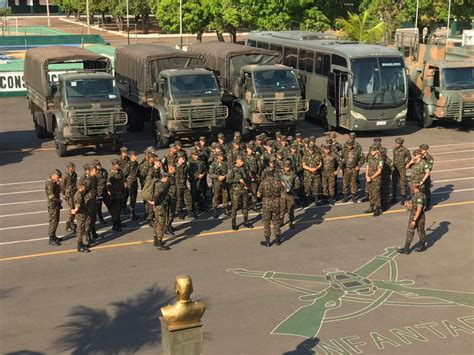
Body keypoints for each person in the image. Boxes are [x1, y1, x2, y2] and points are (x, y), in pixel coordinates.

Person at [397, 183, 428, 254]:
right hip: (414, 216)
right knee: (410, 231)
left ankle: (423, 246)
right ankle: (406, 248)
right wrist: (409, 206)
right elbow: (415, 206)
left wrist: (414, 220)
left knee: (420, 231)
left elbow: (419, 209)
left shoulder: (420, 196)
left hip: (419, 217)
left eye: (412, 186)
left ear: (415, 187)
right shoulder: (416, 195)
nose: (411, 187)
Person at [258, 169, 284, 247]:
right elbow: (283, 192)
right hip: (276, 203)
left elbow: (259, 194)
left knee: (266, 222)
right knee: (276, 221)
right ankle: (277, 240)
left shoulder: (263, 182)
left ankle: (267, 242)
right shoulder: (278, 182)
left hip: (266, 203)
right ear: (273, 174)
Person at [227, 155, 252, 230]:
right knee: (235, 207)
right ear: (237, 160)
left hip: (244, 189)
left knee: (245, 206)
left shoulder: (244, 168)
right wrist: (238, 180)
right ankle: (233, 223)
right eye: (241, 161)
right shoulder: (232, 169)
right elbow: (228, 180)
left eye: (243, 161)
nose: (242, 163)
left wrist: (248, 184)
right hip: (236, 190)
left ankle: (246, 221)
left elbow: (248, 177)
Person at [150, 173, 171, 250]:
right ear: (164, 178)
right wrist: (155, 201)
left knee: (156, 222)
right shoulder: (162, 186)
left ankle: (155, 241)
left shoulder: (156, 183)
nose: (168, 179)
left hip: (156, 207)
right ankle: (159, 243)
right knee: (161, 224)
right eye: (167, 177)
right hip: (160, 207)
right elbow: (157, 195)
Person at [81, 164, 99, 242]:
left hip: (93, 200)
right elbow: (83, 192)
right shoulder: (88, 180)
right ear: (91, 171)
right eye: (96, 170)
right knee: (88, 219)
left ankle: (93, 232)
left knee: (93, 217)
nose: (97, 171)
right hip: (88, 202)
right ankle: (87, 236)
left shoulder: (95, 178)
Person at [107, 159, 127, 231]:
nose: (119, 165)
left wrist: (125, 184)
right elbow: (109, 185)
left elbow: (123, 179)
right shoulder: (111, 174)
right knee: (115, 211)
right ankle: (115, 226)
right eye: (118, 164)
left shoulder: (120, 171)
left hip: (121, 193)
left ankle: (119, 223)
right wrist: (112, 193)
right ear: (114, 165)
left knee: (119, 209)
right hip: (115, 195)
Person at [71, 181, 91, 253]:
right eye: (84, 187)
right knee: (80, 229)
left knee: (81, 228)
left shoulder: (80, 193)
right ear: (81, 187)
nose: (85, 188)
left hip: (82, 213)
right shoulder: (78, 195)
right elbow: (77, 205)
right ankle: (79, 246)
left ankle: (81, 244)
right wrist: (74, 211)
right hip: (80, 214)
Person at [208, 151, 229, 218]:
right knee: (216, 196)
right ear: (217, 156)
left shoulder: (226, 163)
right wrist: (218, 177)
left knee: (225, 195)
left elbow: (229, 172)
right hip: (217, 183)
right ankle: (215, 210)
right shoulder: (213, 164)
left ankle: (225, 208)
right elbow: (211, 174)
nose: (222, 157)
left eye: (222, 155)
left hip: (224, 182)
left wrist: (224, 176)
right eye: (220, 156)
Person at [280, 160, 300, 229]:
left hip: (291, 195)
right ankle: (281, 221)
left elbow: (298, 184)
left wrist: (292, 188)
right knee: (282, 209)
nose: (287, 168)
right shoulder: (281, 174)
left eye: (288, 167)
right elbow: (277, 182)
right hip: (283, 194)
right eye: (285, 167)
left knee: (290, 210)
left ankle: (291, 222)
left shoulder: (294, 175)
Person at [364, 145, 383, 216]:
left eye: (373, 150)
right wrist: (366, 176)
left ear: (377, 151)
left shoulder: (380, 160)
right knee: (370, 193)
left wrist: (371, 177)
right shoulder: (370, 157)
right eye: (371, 150)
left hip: (376, 179)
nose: (371, 152)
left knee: (376, 194)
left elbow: (379, 171)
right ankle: (371, 207)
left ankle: (378, 209)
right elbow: (367, 167)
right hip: (369, 178)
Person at [391, 138, 411, 204]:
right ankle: (394, 198)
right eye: (396, 143)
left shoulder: (405, 150)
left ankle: (403, 198)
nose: (396, 144)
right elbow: (394, 157)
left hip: (402, 169)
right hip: (395, 168)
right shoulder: (394, 149)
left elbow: (409, 158)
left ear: (401, 143)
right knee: (394, 183)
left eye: (398, 143)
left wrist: (406, 164)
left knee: (402, 183)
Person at [45, 169, 62, 246]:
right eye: (58, 177)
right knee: (53, 221)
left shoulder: (54, 182)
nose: (59, 178)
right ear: (53, 175)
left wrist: (58, 184)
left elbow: (59, 191)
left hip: (56, 205)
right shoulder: (49, 183)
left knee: (56, 220)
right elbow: (51, 196)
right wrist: (59, 200)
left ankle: (54, 236)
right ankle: (51, 239)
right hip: (53, 205)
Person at [176, 153, 194, 218]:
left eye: (184, 158)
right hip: (177, 185)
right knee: (178, 199)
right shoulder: (174, 166)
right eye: (182, 158)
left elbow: (187, 173)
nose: (184, 159)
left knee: (188, 197)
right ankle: (179, 212)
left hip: (184, 184)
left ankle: (189, 210)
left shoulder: (185, 166)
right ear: (178, 159)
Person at [61, 162, 77, 232]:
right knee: (71, 209)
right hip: (68, 195)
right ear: (68, 168)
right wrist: (64, 194)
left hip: (73, 194)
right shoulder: (65, 176)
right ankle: (68, 225)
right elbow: (62, 185)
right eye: (72, 167)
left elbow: (74, 184)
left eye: (74, 167)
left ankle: (72, 222)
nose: (74, 168)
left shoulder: (74, 174)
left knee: (74, 208)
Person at [420, 144, 434, 209]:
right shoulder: (420, 156)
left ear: (425, 150)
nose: (421, 151)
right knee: (420, 191)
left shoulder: (430, 158)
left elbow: (429, 168)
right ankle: (421, 204)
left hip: (425, 176)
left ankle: (428, 204)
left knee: (426, 190)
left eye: (422, 149)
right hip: (419, 176)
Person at [94, 159, 108, 224]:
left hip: (105, 191)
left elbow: (107, 179)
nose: (99, 166)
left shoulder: (104, 171)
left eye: (100, 164)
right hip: (98, 193)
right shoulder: (94, 173)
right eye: (98, 165)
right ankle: (100, 218)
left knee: (109, 204)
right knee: (98, 207)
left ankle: (114, 218)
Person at [127, 151, 139, 220]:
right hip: (130, 183)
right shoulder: (129, 164)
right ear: (132, 156)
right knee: (131, 198)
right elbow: (124, 173)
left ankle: (133, 213)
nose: (137, 156)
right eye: (135, 155)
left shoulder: (136, 163)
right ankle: (131, 214)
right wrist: (125, 182)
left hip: (135, 182)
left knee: (134, 198)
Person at [119, 147, 131, 215]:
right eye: (126, 153)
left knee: (126, 194)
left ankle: (124, 206)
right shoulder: (120, 161)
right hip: (122, 180)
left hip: (127, 179)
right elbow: (121, 172)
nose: (127, 154)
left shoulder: (127, 159)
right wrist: (124, 181)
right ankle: (122, 208)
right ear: (122, 153)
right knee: (122, 195)